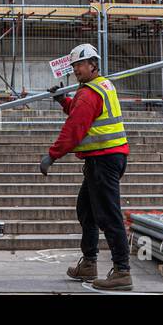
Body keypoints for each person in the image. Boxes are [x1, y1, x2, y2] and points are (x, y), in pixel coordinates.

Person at [39, 42, 131, 291]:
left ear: (93, 64)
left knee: (108, 215)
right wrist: (63, 101)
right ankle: (89, 263)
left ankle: (122, 271)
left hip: (104, 160)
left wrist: (52, 156)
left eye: (80, 64)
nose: (76, 69)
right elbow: (82, 113)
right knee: (87, 211)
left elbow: (75, 129)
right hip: (104, 158)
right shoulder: (99, 86)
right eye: (74, 66)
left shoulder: (89, 93)